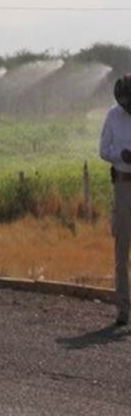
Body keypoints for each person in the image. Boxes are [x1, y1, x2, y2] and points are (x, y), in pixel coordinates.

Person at [100, 74, 131, 327]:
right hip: (122, 184)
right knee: (121, 250)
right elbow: (103, 150)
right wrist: (120, 155)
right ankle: (123, 308)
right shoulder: (113, 115)